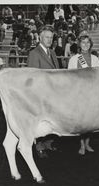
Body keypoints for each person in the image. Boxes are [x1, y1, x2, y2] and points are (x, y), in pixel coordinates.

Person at [27, 26, 60, 157]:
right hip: (41, 95)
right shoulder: (34, 53)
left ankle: (48, 143)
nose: (49, 39)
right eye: (47, 37)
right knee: (40, 121)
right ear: (40, 38)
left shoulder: (52, 52)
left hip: (53, 93)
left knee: (51, 120)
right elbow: (32, 77)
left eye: (51, 37)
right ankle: (39, 146)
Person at [67, 31, 99, 155]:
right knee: (81, 122)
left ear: (90, 44)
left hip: (92, 94)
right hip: (78, 94)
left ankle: (87, 143)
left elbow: (98, 77)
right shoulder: (74, 59)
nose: (85, 45)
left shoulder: (95, 59)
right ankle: (81, 145)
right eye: (83, 42)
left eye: (87, 42)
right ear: (79, 44)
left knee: (91, 121)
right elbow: (69, 78)